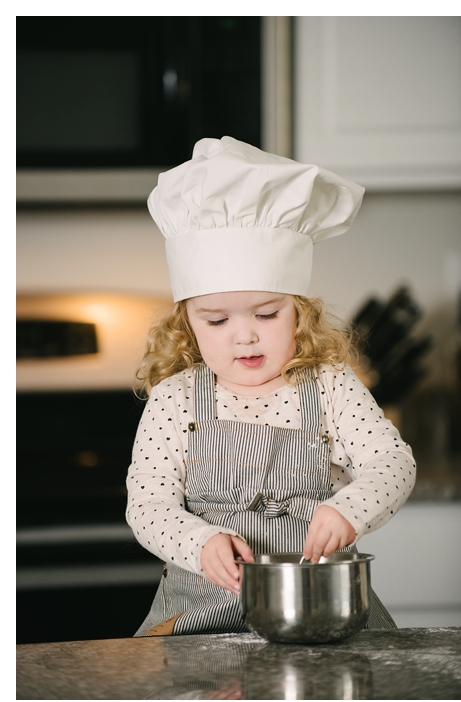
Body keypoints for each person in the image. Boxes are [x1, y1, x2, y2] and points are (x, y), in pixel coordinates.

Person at [126, 137, 415, 636]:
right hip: (197, 619)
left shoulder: (330, 386)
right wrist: (199, 542)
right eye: (216, 320)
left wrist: (350, 509)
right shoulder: (175, 399)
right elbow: (147, 506)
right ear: (187, 324)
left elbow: (393, 464)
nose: (245, 335)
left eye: (266, 313)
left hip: (323, 613)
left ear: (300, 311)